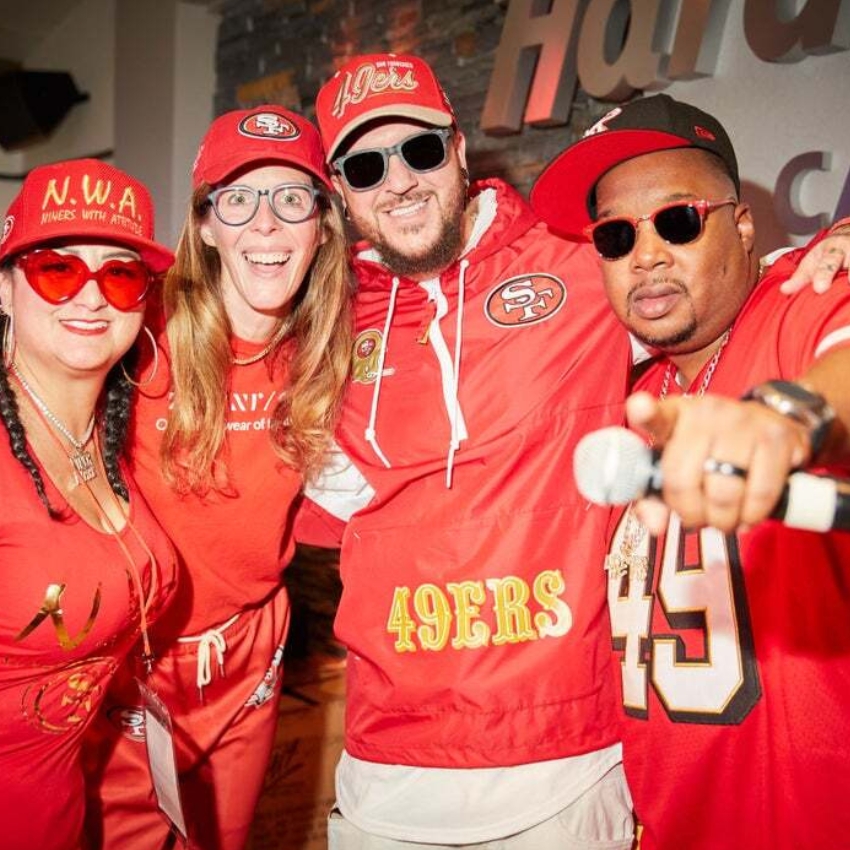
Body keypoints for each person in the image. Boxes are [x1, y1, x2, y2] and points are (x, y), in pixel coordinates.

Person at [301, 51, 639, 850]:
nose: (401, 182)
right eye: (365, 167)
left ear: (457, 150)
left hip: (565, 767)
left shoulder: (581, 265)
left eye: (419, 151)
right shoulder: (323, 328)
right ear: (343, 196)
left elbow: (715, 288)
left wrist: (825, 252)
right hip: (386, 773)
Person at [530, 93, 850, 850]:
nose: (645, 256)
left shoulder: (799, 307)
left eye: (677, 221)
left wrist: (786, 418)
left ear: (742, 227)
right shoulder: (637, 402)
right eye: (614, 237)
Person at [83, 106, 353, 850]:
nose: (266, 225)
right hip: (131, 670)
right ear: (205, 224)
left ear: (322, 223)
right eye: (238, 199)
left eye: (291, 199)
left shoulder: (333, 351)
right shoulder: (136, 332)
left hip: (247, 662)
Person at [0, 158, 178, 850]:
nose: (92, 297)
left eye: (120, 273)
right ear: (7, 290)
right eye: (58, 269)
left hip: (59, 817)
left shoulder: (114, 444)